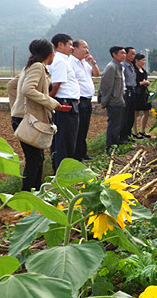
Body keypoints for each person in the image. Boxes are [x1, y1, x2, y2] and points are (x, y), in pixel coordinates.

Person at [9, 39, 62, 191]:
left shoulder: (30, 67)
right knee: (34, 159)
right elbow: (27, 89)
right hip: (29, 120)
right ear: (51, 54)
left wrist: (16, 108)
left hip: (26, 118)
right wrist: (51, 103)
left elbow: (12, 85)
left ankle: (36, 193)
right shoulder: (38, 67)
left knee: (38, 158)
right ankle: (27, 195)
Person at [47, 33, 80, 171]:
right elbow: (56, 85)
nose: (72, 48)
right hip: (65, 104)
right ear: (60, 44)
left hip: (65, 102)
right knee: (65, 141)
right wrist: (49, 101)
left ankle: (60, 171)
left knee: (63, 140)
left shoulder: (61, 60)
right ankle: (62, 173)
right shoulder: (60, 61)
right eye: (70, 45)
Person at [70, 39, 100, 161]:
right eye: (84, 47)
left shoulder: (85, 63)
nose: (87, 50)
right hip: (79, 100)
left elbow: (96, 74)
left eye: (87, 47)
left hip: (87, 100)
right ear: (75, 49)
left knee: (84, 129)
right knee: (78, 130)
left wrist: (93, 62)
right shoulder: (71, 62)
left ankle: (83, 153)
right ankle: (76, 156)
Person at [98, 46, 127, 152]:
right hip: (113, 102)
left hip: (119, 101)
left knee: (118, 125)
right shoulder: (111, 67)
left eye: (125, 53)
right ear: (114, 54)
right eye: (121, 53)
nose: (124, 55)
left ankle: (115, 146)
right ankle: (110, 148)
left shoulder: (119, 66)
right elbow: (106, 86)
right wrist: (103, 101)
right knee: (113, 126)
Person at [132, 53, 152, 139]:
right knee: (135, 113)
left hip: (144, 93)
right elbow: (133, 83)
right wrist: (143, 83)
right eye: (142, 60)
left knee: (146, 112)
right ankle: (135, 132)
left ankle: (143, 131)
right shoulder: (134, 70)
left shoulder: (143, 70)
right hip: (137, 93)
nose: (144, 62)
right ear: (137, 60)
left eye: (144, 60)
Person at [120, 46, 137, 143]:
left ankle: (128, 135)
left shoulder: (131, 65)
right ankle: (123, 136)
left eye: (134, 54)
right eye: (131, 54)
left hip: (133, 90)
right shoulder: (123, 66)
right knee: (125, 115)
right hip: (127, 91)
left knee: (131, 115)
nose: (133, 56)